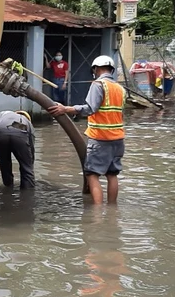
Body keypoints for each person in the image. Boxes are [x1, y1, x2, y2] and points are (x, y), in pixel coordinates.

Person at [48, 55, 125, 204]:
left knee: (92, 174)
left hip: (101, 138)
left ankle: (97, 213)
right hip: (118, 139)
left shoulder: (98, 84)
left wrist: (67, 109)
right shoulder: (119, 88)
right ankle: (111, 211)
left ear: (96, 69)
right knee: (112, 174)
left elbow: (90, 108)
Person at [0, 109, 35, 189]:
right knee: (26, 169)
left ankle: (8, 189)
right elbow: (31, 146)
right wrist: (29, 163)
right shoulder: (28, 123)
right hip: (20, 134)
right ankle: (27, 196)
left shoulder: (3, 113)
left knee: (4, 166)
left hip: (0, 133)